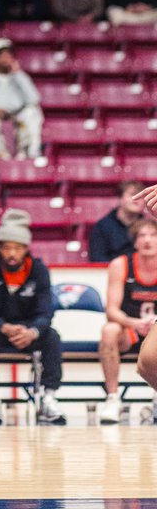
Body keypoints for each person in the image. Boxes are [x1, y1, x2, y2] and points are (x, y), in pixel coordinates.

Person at [0, 209, 66, 425]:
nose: (12, 254)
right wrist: (3, 327)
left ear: (26, 248)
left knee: (52, 336)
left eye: (17, 248)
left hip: (28, 330)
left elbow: (46, 311)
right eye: (7, 248)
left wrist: (32, 332)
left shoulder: (39, 270)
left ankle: (49, 397)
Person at [96, 217, 157, 423]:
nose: (148, 240)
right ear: (134, 241)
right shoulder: (120, 264)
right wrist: (135, 323)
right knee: (109, 330)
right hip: (130, 327)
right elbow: (111, 310)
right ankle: (113, 398)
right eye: (142, 235)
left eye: (153, 235)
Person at [88, 181, 146, 264]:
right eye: (132, 195)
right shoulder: (102, 226)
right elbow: (97, 258)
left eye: (141, 196)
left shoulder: (149, 227)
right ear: (120, 198)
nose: (137, 200)